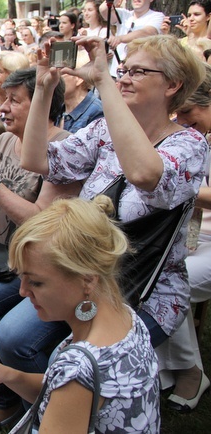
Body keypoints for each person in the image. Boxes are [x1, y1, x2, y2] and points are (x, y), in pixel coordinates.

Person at [21, 35, 207, 349]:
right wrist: (43, 89)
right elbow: (35, 159)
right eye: (124, 70)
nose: (125, 78)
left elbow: (144, 174)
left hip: (144, 291)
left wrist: (104, 81)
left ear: (173, 84)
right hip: (83, 276)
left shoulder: (190, 144)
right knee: (13, 338)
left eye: (139, 72)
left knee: (60, 355)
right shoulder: (103, 129)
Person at [0, 197, 160, 433]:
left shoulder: (77, 371)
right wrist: (8, 375)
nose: (22, 292)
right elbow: (65, 397)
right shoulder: (125, 317)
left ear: (87, 280)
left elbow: (73, 390)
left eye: (37, 283)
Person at [0, 67, 80, 430]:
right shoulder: (7, 140)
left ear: (42, 104)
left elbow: (39, 221)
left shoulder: (65, 147)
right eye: (4, 98)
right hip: (0, 251)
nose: (3, 107)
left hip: (38, 261)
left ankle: (8, 398)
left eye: (14, 100)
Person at [155, 63, 211, 413]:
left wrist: (176, 183)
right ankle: (171, 367)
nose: (183, 120)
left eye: (188, 112)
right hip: (194, 234)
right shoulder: (195, 138)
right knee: (154, 274)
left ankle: (189, 372)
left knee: (174, 284)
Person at [61, 50, 104, 133]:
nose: (56, 78)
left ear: (79, 78)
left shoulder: (97, 112)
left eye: (62, 73)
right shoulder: (57, 108)